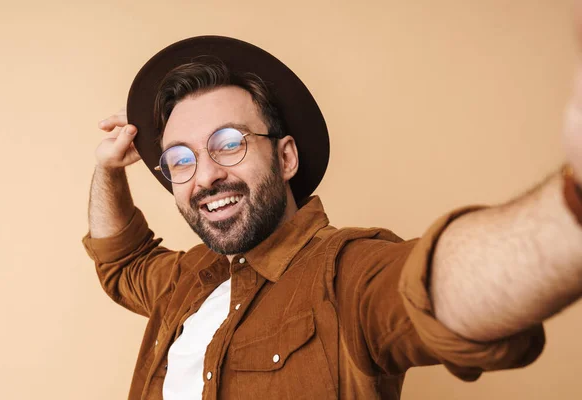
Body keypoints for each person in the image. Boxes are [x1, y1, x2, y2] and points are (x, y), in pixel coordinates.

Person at [82, 36, 582, 400]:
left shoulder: (347, 275)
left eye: (229, 143)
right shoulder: (186, 280)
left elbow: (436, 288)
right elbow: (121, 263)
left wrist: (573, 204)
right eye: (181, 160)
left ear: (286, 158)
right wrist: (109, 170)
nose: (205, 176)